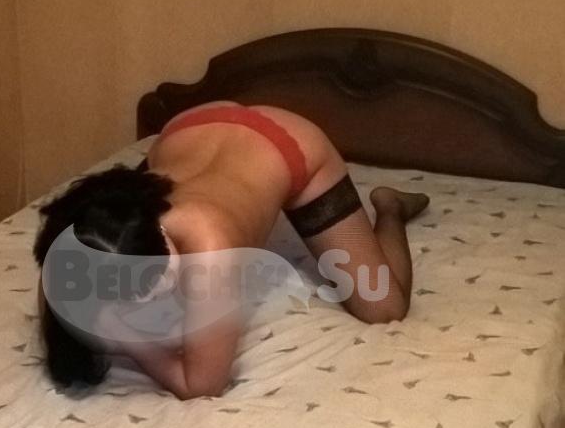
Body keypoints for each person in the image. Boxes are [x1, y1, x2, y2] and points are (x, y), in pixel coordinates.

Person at [34, 102, 429, 399]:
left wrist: (125, 336)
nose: (156, 296)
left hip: (286, 142)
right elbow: (58, 269)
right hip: (189, 129)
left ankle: (391, 208)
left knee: (384, 308)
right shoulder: (102, 224)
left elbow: (202, 385)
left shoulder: (211, 246)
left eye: (154, 282)